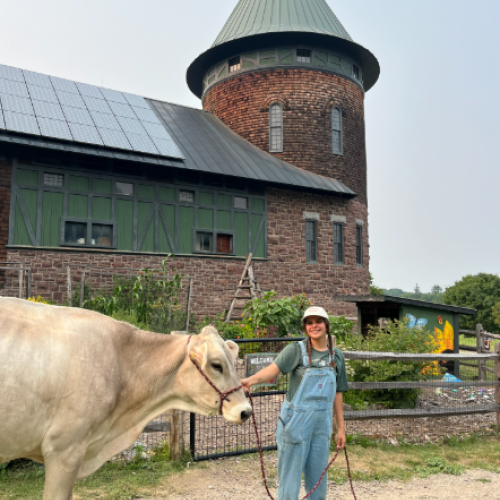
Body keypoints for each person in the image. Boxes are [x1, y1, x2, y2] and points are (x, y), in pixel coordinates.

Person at [241, 306, 348, 500]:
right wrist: (250, 381)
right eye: (309, 322)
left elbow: (338, 393)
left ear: (326, 325)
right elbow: (272, 370)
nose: (314, 326)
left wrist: (341, 427)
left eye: (318, 321)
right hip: (295, 422)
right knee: (289, 479)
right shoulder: (295, 351)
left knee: (318, 481)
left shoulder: (336, 356)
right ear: (305, 326)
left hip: (322, 424)